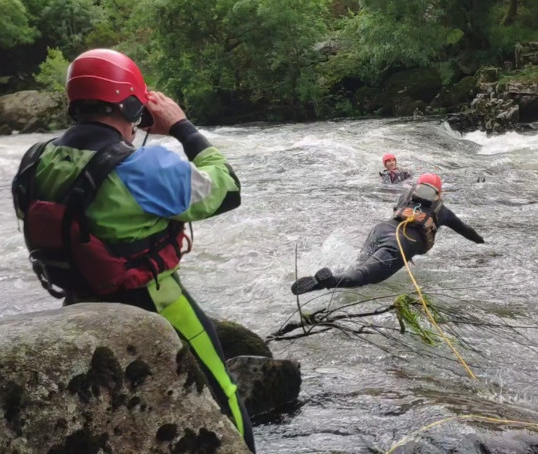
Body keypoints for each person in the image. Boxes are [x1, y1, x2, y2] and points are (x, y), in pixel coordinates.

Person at [11, 49, 256, 452]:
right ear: (129, 104)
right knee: (222, 390)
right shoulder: (142, 166)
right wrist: (181, 127)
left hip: (76, 303)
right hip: (154, 301)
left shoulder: (35, 159)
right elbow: (228, 188)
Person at [291, 173, 484, 294]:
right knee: (363, 277)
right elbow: (467, 232)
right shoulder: (443, 212)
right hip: (398, 245)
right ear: (439, 194)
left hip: (380, 230)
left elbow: (398, 211)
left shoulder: (405, 196)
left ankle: (336, 277)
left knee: (359, 266)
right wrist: (482, 242)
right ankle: (327, 281)